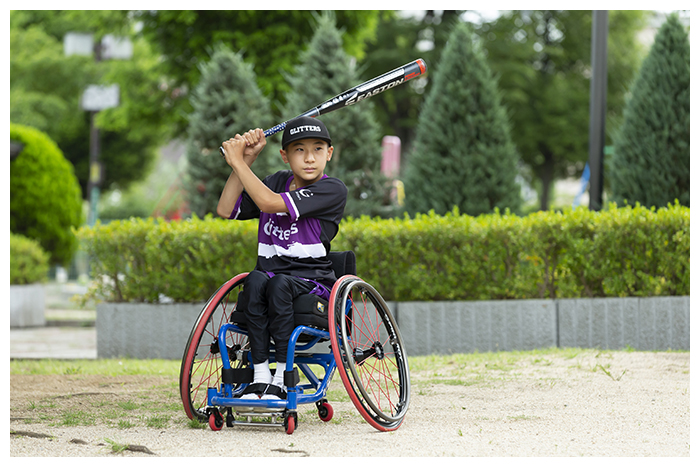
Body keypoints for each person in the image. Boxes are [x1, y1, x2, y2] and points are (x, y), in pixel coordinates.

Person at [217, 117, 347, 401]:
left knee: (280, 285)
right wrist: (247, 160)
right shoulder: (277, 181)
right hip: (268, 277)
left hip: (311, 282)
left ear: (329, 153)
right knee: (255, 280)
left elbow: (268, 203)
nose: (309, 158)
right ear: (284, 156)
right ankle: (261, 375)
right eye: (299, 150)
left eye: (317, 149)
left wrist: (237, 162)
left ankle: (283, 375)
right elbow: (226, 209)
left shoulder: (332, 189)